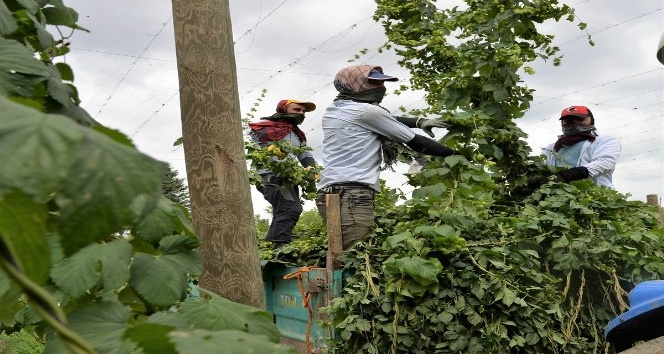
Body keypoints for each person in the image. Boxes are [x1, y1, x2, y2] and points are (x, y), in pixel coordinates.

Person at [315, 64, 462, 250]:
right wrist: (457, 155)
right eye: (374, 84)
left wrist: (419, 121)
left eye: (382, 83)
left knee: (340, 250)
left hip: (330, 191)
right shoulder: (366, 112)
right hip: (351, 193)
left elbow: (384, 118)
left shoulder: (337, 108)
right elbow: (415, 142)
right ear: (355, 85)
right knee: (354, 253)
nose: (381, 88)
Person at [248, 99, 318, 246]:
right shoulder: (264, 128)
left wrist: (312, 169)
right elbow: (253, 145)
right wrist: (268, 148)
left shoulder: (297, 134)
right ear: (283, 110)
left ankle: (269, 248)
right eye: (296, 110)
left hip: (289, 177)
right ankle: (279, 247)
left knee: (282, 211)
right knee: (290, 209)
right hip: (269, 176)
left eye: (303, 111)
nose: (301, 113)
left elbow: (304, 154)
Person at [530, 105, 621, 189]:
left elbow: (604, 163)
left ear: (591, 120)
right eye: (568, 121)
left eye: (579, 119)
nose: (574, 123)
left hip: (595, 195)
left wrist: (567, 175)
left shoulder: (605, 141)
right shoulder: (551, 148)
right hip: (557, 197)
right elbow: (542, 168)